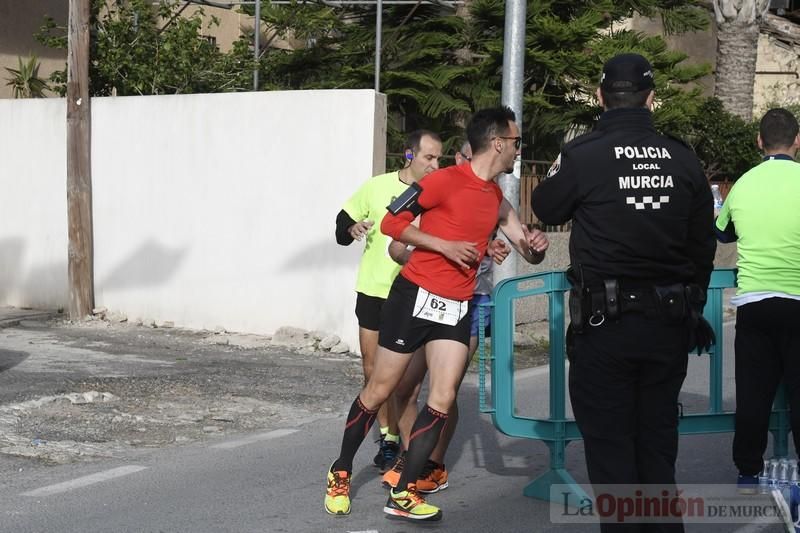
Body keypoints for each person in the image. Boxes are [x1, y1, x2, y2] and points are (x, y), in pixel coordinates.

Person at [324, 106, 549, 521]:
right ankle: (340, 471)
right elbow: (393, 224)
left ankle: (404, 492)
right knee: (380, 390)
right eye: (516, 142)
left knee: (442, 399)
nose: (519, 150)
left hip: (455, 307)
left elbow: (526, 250)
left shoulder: (497, 198)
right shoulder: (444, 180)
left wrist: (536, 244)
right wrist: (442, 246)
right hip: (413, 297)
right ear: (498, 143)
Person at [531, 53, 716, 532]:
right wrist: (693, 303)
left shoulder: (586, 153)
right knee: (656, 451)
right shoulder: (683, 158)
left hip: (604, 327)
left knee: (612, 458)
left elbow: (546, 203)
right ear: (652, 98)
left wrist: (568, 157)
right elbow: (702, 246)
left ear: (600, 97)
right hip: (667, 324)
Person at [380, 139, 504, 495]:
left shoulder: (494, 197)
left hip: (472, 301)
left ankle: (433, 465)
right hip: (426, 297)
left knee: (443, 391)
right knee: (405, 387)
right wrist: (428, 250)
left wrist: (493, 247)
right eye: (463, 158)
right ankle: (412, 455)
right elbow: (397, 244)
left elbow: (515, 240)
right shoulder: (445, 188)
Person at [334, 130, 443, 472]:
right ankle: (388, 437)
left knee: (404, 382)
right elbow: (341, 225)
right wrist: (351, 229)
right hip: (373, 291)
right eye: (429, 157)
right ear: (409, 156)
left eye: (439, 158)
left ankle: (411, 453)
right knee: (372, 371)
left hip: (413, 294)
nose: (436, 164)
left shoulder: (437, 193)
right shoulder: (376, 186)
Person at [715, 109, 800, 496]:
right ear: (797, 142)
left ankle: (748, 473)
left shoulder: (744, 185)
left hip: (754, 303)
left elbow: (722, 234)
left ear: (759, 143)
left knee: (753, 393)